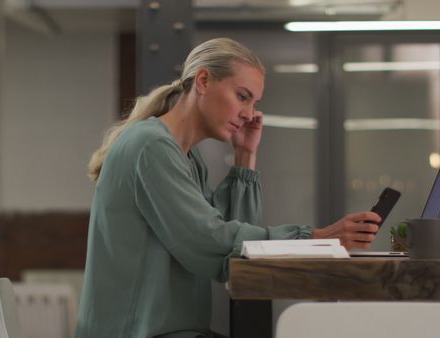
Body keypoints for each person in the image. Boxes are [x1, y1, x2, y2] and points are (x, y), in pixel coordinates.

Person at [75, 37, 381, 338]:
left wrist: (244, 156)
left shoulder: (188, 158)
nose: (249, 114)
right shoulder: (151, 146)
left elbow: (236, 251)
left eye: (254, 103)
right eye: (242, 96)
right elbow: (210, 242)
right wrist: (313, 237)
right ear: (204, 80)